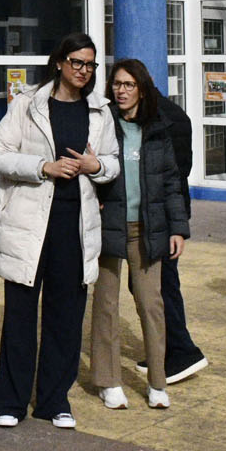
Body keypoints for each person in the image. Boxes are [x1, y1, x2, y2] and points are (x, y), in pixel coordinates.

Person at [0, 33, 120, 430]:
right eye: (77, 62)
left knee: (66, 317)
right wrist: (43, 167)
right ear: (59, 62)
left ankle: (54, 400)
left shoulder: (99, 111)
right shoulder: (28, 104)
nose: (84, 71)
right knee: (21, 316)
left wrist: (96, 168)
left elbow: (111, 163)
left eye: (91, 65)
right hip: (29, 226)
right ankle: (10, 401)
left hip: (75, 226)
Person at [93, 59, 188, 409]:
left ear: (142, 89)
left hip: (147, 231)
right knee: (106, 305)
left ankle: (158, 382)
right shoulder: (104, 126)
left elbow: (171, 184)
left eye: (129, 85)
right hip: (108, 228)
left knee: (152, 306)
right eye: (117, 84)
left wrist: (178, 228)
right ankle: (108, 380)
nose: (121, 90)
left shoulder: (158, 129)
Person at [134, 85, 210, 384]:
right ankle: (165, 351)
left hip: (162, 215)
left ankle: (183, 351)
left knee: (161, 286)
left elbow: (171, 175)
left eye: (127, 86)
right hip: (162, 214)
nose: (119, 94)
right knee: (154, 285)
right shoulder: (171, 113)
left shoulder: (164, 119)